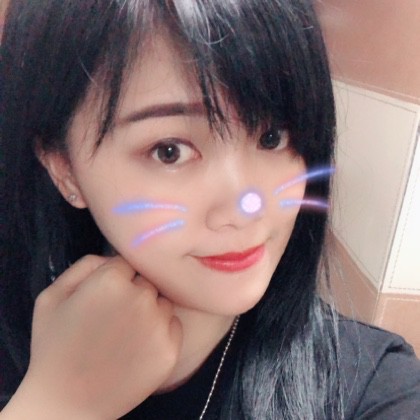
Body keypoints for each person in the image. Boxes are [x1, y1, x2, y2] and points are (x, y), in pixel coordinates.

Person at [1, 0, 419, 419]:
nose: (247, 208)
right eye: (169, 151)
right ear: (64, 169)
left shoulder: (370, 385)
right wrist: (55, 405)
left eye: (272, 136)